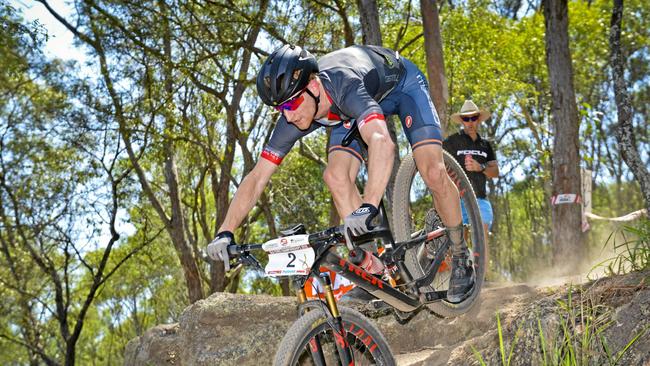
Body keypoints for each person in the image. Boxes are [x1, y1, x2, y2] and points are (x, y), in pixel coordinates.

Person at [207, 44, 472, 302]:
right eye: (280, 109)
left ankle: (461, 254)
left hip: (402, 87)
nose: (288, 116)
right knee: (335, 176)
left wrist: (368, 205)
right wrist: (225, 231)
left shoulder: (344, 85)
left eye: (291, 106)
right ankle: (375, 269)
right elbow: (257, 178)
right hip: (348, 114)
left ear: (312, 86)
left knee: (433, 171)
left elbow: (381, 140)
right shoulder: (295, 114)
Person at [443, 100, 499, 270]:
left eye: (473, 118)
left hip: (480, 198)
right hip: (458, 198)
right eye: (466, 119)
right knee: (460, 238)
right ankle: (463, 275)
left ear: (479, 119)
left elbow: (495, 172)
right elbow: (441, 163)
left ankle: (481, 274)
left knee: (482, 233)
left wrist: (480, 167)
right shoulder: (452, 141)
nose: (470, 122)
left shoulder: (486, 145)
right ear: (461, 121)